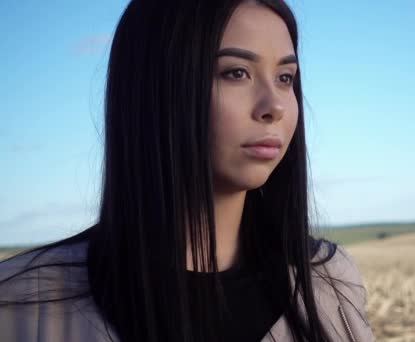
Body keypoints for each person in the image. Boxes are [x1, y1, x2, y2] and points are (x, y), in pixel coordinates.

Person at [0, 0, 375, 341]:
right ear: (155, 88)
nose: (274, 106)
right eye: (236, 73)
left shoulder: (329, 282)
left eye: (285, 77)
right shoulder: (22, 304)